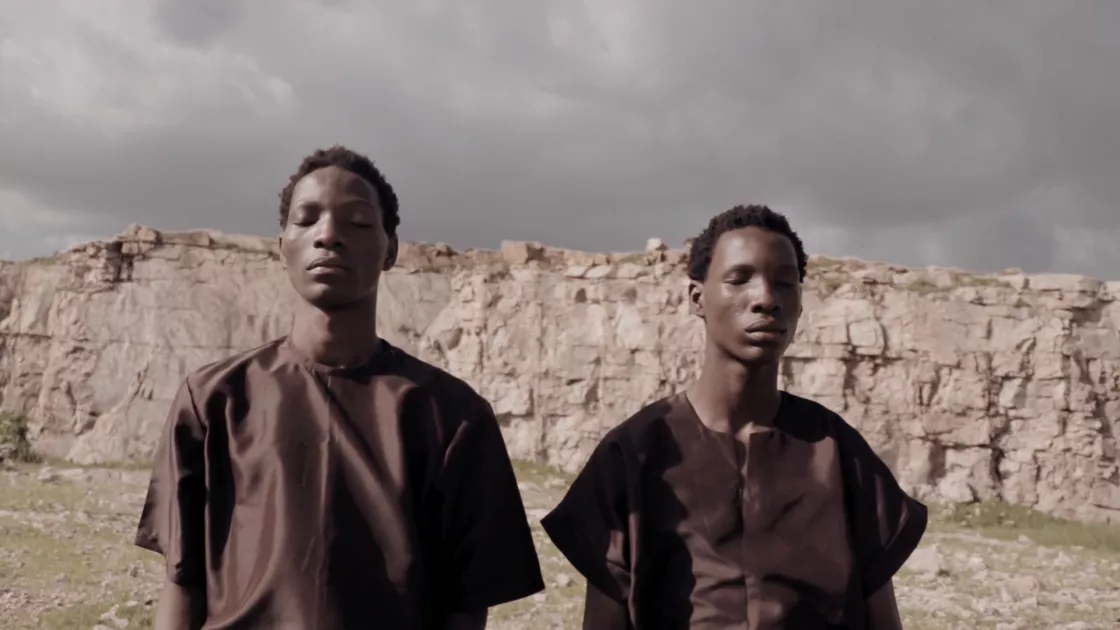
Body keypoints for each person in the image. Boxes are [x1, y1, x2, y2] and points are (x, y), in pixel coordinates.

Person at [134, 146, 545, 630]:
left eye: (357, 222)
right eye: (306, 220)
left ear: (390, 249)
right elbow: (183, 584)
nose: (328, 236)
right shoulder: (213, 401)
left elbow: (466, 607)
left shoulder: (451, 415)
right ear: (282, 245)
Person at [541, 205, 927, 629]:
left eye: (785, 282)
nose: (766, 299)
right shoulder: (631, 458)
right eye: (739, 279)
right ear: (696, 298)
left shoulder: (838, 455)